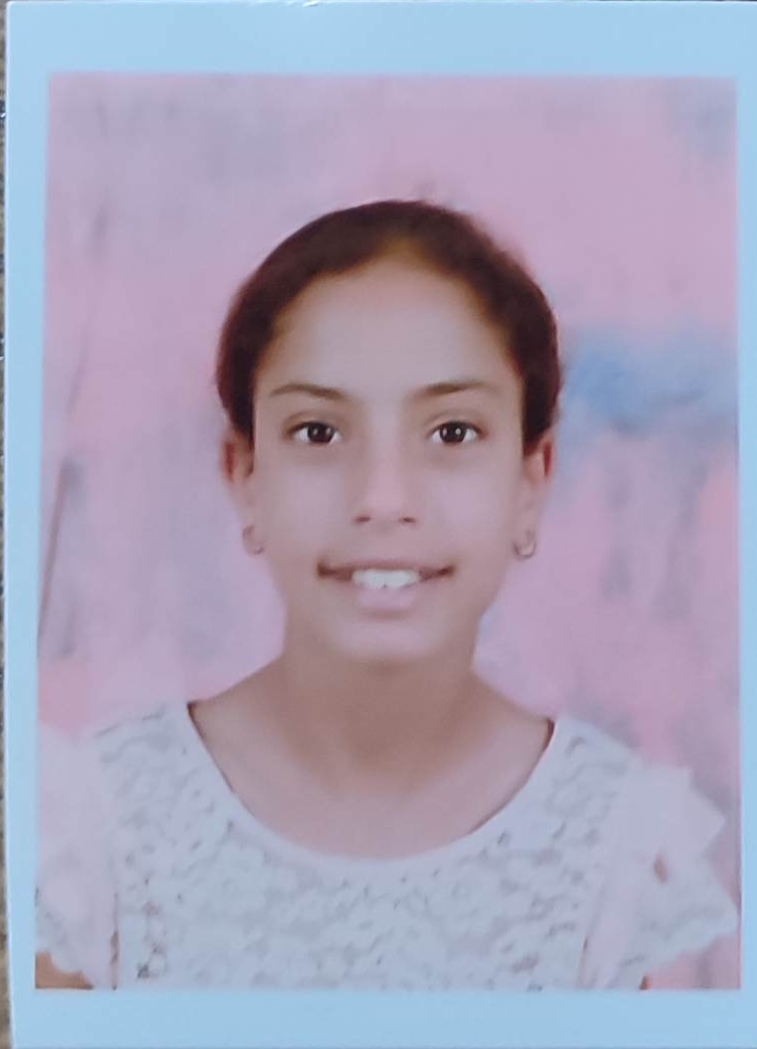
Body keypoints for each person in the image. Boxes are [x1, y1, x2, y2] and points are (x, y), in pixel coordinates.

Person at [36, 200, 738, 991]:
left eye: (452, 432)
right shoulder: (94, 829)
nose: (382, 497)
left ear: (530, 482)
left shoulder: (617, 848)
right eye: (318, 432)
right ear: (245, 477)